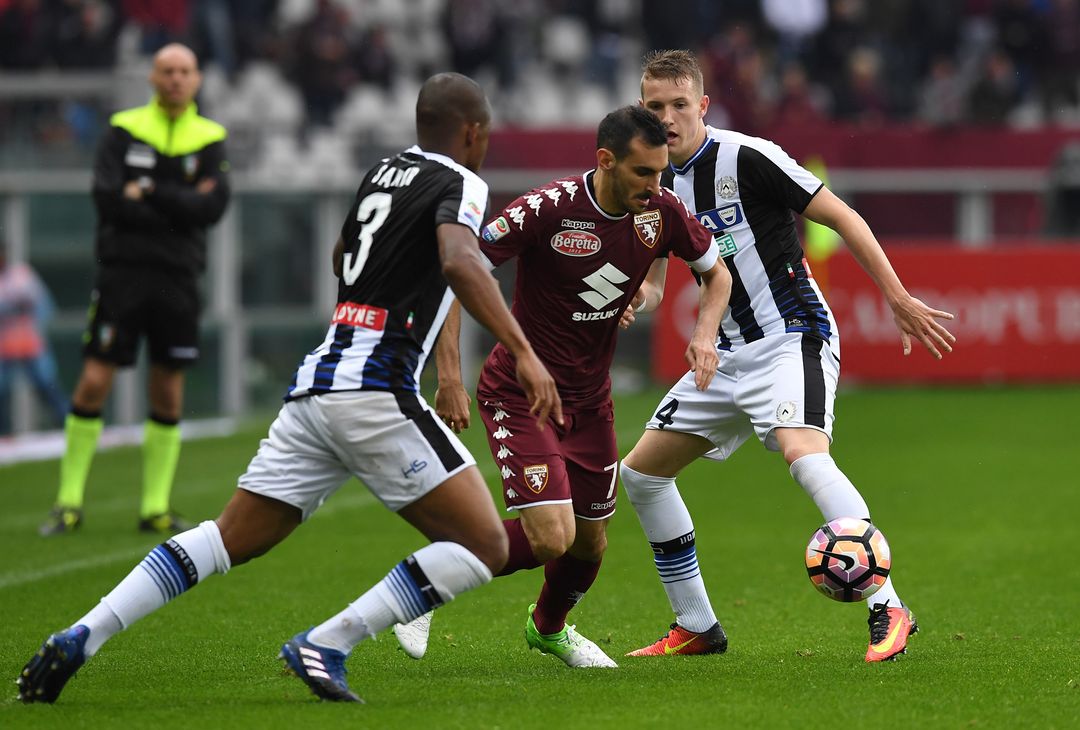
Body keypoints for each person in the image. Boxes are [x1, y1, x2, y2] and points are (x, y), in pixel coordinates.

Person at [17, 71, 562, 705]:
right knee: (484, 544)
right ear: (474, 133)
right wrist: (522, 352)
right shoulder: (461, 180)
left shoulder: (381, 173)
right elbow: (459, 260)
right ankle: (328, 643)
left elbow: (342, 254)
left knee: (226, 539)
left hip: (316, 387)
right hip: (375, 389)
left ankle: (83, 634)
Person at [621, 50, 956, 662]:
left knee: (803, 453)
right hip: (722, 356)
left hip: (790, 334)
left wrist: (897, 295)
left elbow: (841, 216)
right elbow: (653, 280)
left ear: (702, 105)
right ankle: (697, 625)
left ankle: (889, 606)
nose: (666, 118)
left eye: (677, 105)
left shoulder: (748, 156)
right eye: (654, 106)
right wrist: (630, 300)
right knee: (641, 475)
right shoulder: (655, 179)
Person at [393, 105, 732, 668]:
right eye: (644, 173)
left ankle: (548, 629)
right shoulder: (547, 209)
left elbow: (714, 273)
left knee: (588, 542)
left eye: (662, 170)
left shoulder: (661, 209)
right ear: (605, 161)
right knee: (550, 535)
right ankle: (433, 575)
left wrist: (701, 334)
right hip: (520, 391)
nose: (658, 184)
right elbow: (456, 274)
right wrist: (448, 375)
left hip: (590, 400)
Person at [38, 43, 231, 537]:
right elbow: (107, 200)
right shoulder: (123, 130)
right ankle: (68, 502)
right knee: (94, 381)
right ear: (152, 77)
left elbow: (212, 210)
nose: (175, 79)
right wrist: (179, 204)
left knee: (168, 390)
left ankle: (155, 508)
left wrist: (146, 192)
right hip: (122, 273)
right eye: (167, 71)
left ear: (197, 79)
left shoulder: (210, 138)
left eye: (184, 71)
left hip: (178, 279)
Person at [0, 242, 69, 435]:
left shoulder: (22, 275)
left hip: (29, 343)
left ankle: (68, 427)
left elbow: (45, 306)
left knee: (48, 386)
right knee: (2, 393)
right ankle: (4, 436)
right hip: (4, 348)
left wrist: (36, 329)